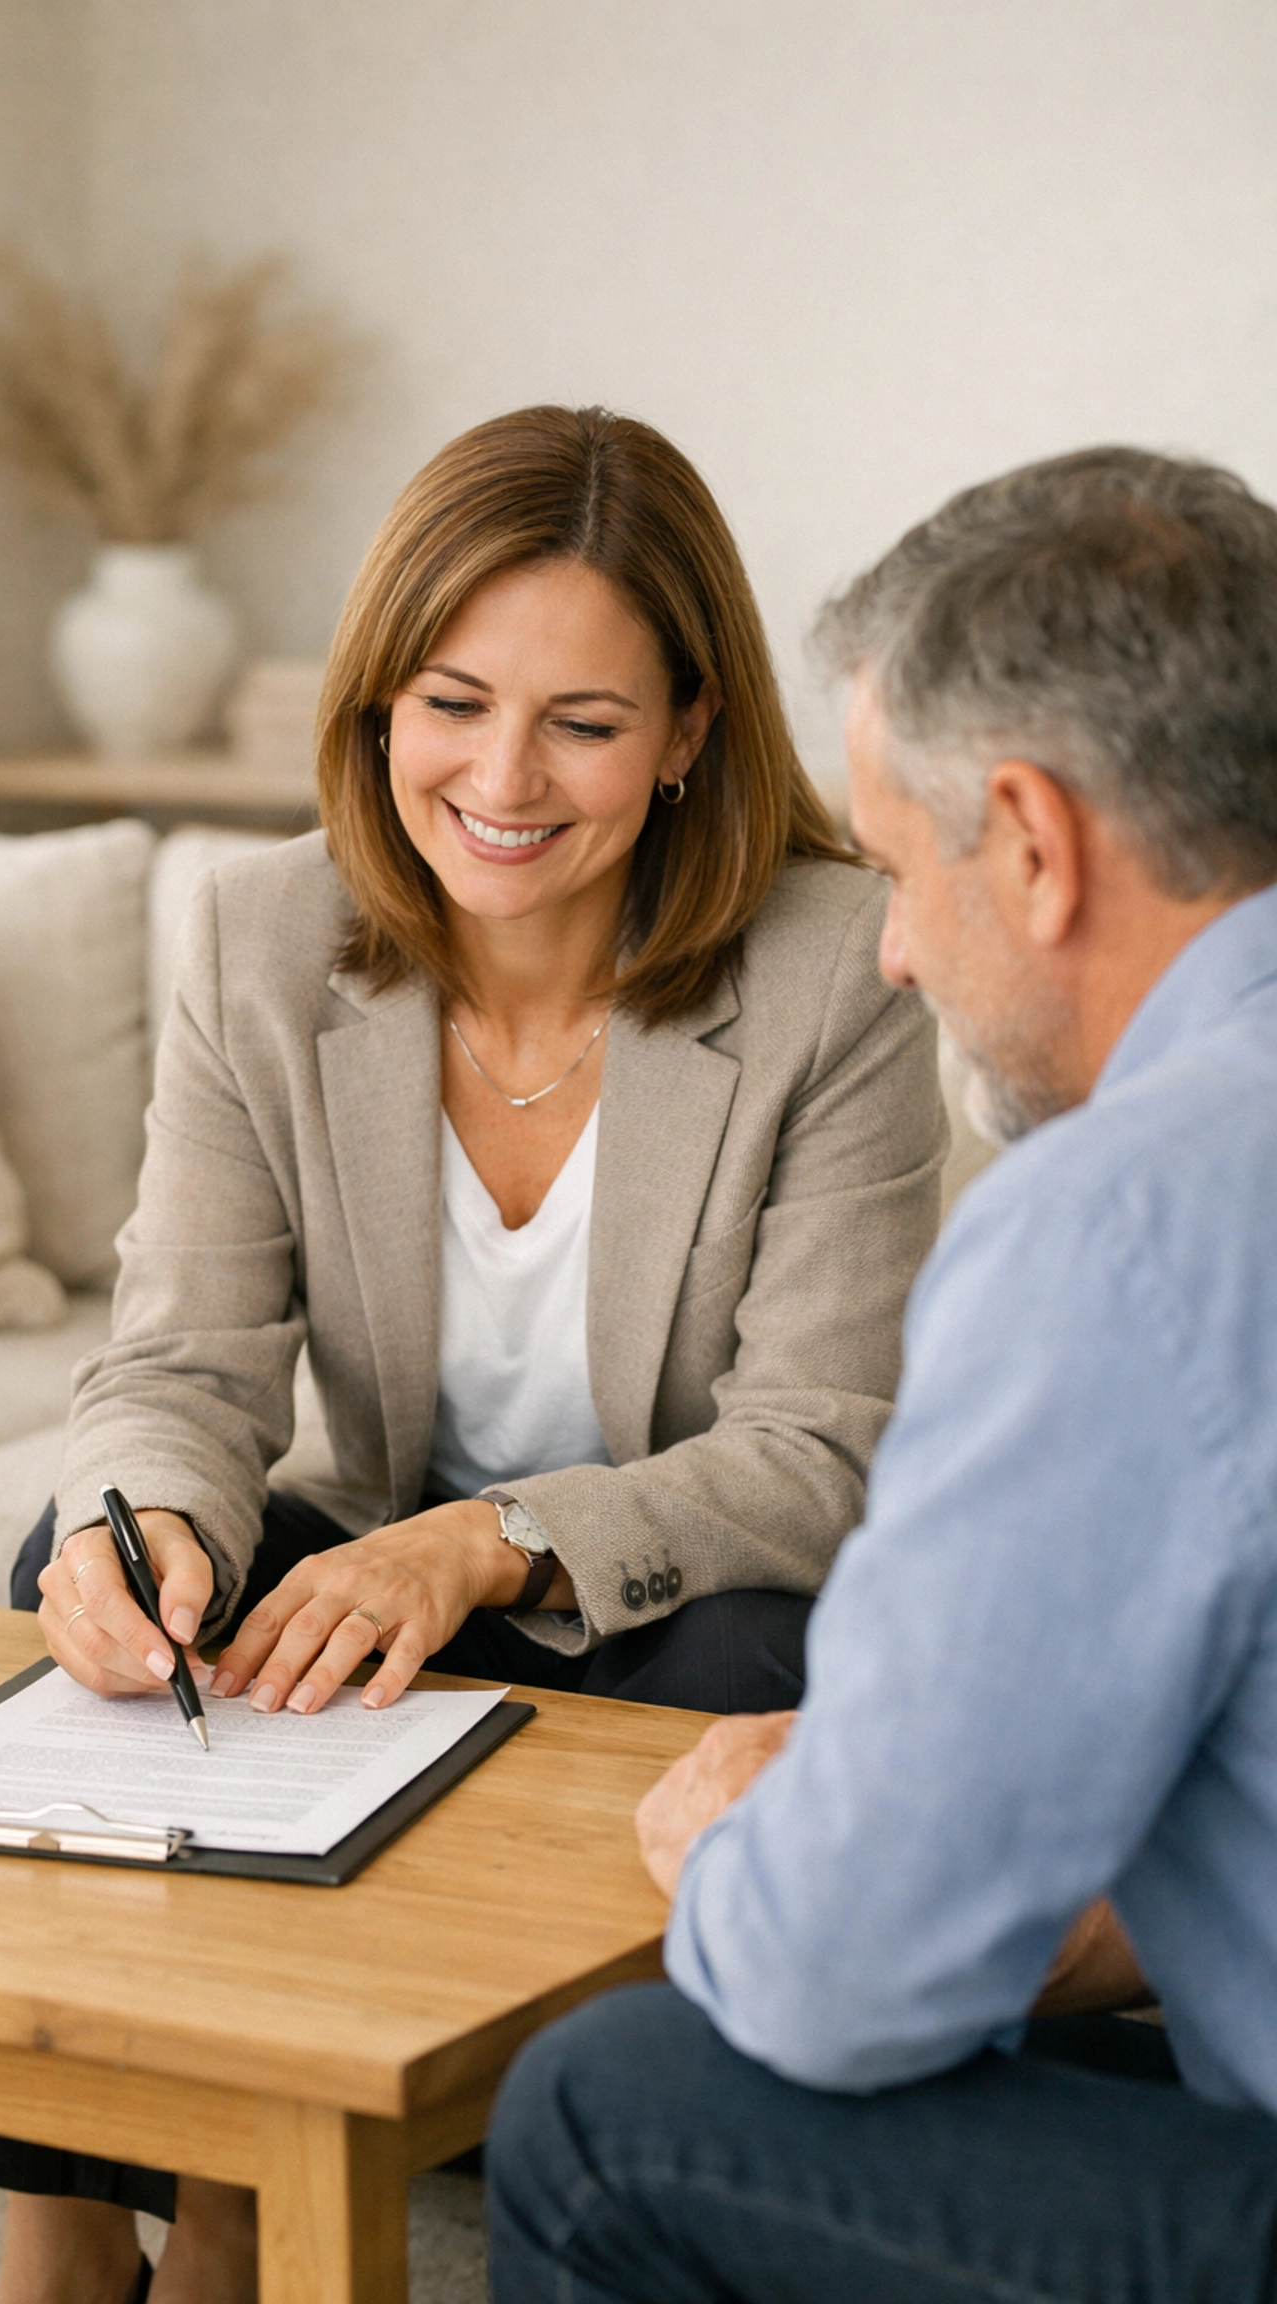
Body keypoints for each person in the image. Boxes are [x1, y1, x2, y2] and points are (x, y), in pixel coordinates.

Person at [0, 404, 942, 2304]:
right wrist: (148, 1509)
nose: (504, 776)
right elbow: (181, 1358)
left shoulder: (833, 966)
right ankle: (70, 2225)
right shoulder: (260, 935)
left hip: (632, 1585)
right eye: (452, 702)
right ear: (376, 709)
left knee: (767, 1647)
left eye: (583, 723)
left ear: (686, 738)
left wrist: (485, 1540)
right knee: (83, 1570)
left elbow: (820, 1447)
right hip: (367, 1544)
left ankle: (253, 2192)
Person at [488, 444, 1277, 2303]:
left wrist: (732, 1851)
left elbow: (843, 1980)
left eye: (906, 872)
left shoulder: (1119, 1220)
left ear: (1034, 836)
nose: (900, 954)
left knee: (611, 2102)